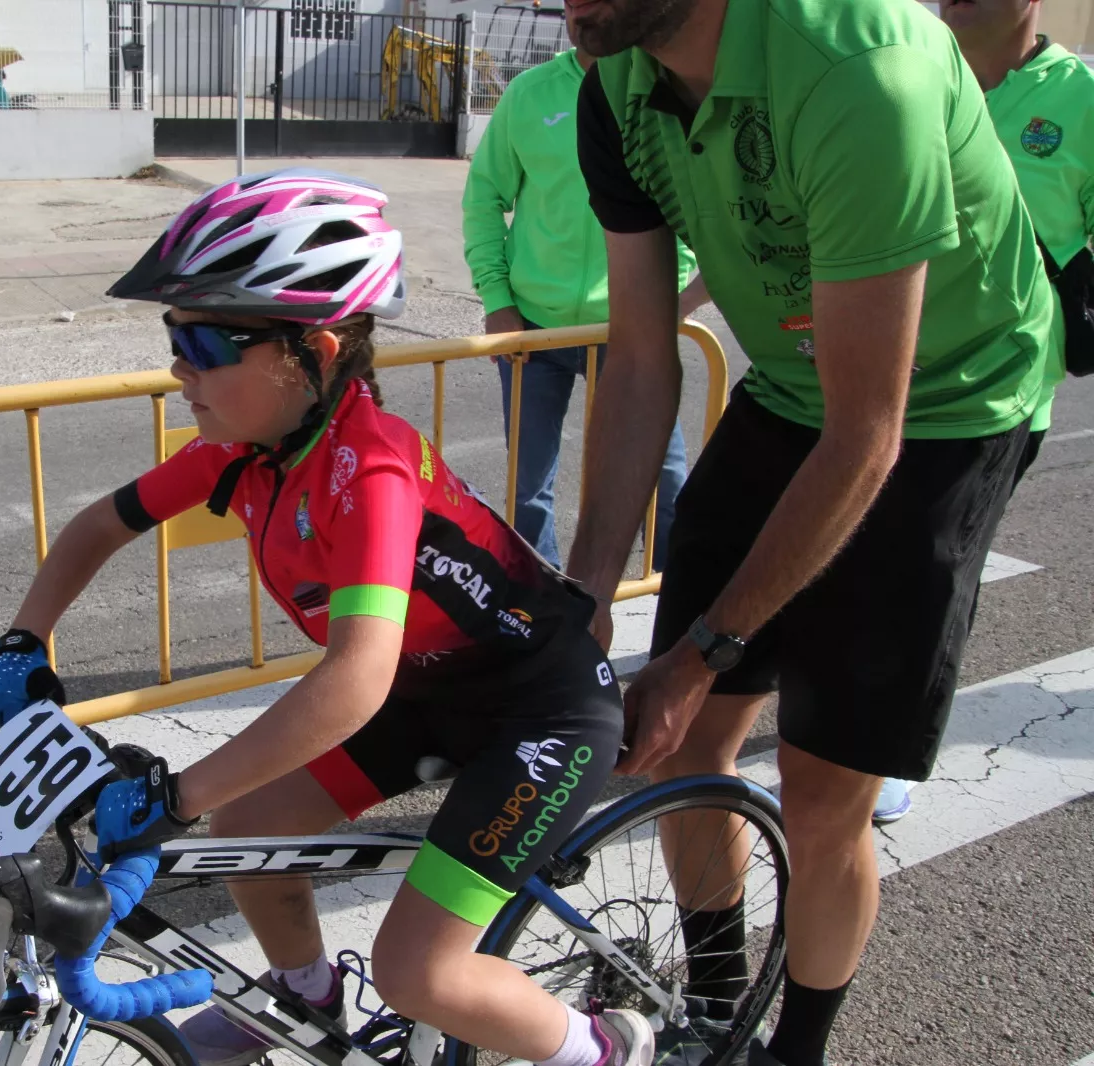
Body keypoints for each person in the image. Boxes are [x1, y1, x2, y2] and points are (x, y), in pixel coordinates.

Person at [0, 169, 653, 1066]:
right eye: (174, 337)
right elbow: (97, 528)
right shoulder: (244, 453)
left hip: (539, 712)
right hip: (425, 690)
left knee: (417, 972)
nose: (178, 367)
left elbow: (352, 679)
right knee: (244, 830)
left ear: (307, 351)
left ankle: (609, 1050)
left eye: (201, 341)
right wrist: (20, 645)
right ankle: (303, 995)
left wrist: (176, 796)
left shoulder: (375, 473)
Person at [561, 0, 1057, 1062]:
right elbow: (644, 361)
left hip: (947, 405)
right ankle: (715, 1012)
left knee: (825, 789)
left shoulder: (862, 68)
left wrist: (703, 652)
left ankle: (799, 1049)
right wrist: (586, 593)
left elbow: (868, 435)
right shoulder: (613, 75)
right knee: (679, 750)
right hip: (790, 388)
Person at [866, 0, 1094, 828]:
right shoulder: (909, 69)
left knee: (931, 562)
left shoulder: (1079, 98)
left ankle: (890, 752)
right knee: (852, 547)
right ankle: (843, 704)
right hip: (876, 359)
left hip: (1000, 389)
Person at [462, 15, 709, 569]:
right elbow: (483, 200)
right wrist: (499, 303)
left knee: (664, 480)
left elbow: (695, 202)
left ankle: (672, 594)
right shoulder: (530, 93)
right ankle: (546, 611)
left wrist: (674, 298)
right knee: (529, 488)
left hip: (630, 332)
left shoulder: (667, 89)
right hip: (534, 328)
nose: (582, 14)